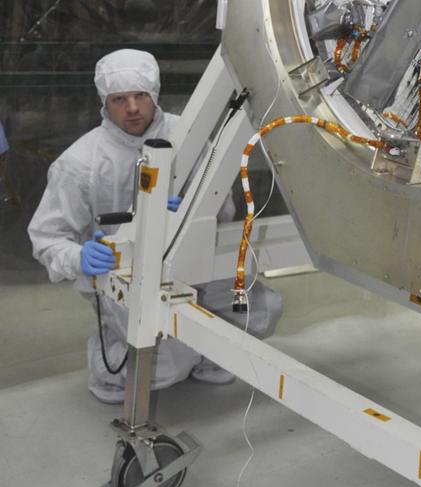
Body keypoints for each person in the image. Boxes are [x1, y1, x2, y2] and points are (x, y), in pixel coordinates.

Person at [28, 49, 281, 403]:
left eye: (140, 96)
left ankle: (203, 358)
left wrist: (191, 210)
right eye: (119, 99)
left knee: (260, 310)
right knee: (164, 366)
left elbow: (222, 204)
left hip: (190, 257)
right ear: (105, 102)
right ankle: (109, 368)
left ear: (154, 94)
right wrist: (79, 257)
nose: (132, 108)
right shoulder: (80, 162)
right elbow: (47, 238)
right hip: (124, 270)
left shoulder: (188, 133)